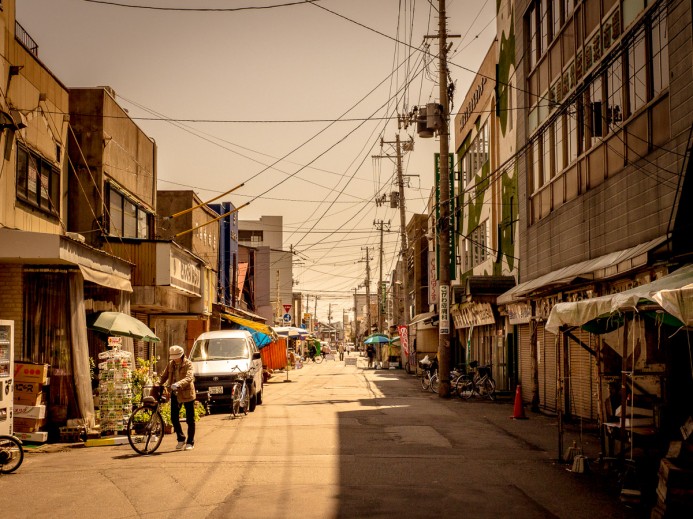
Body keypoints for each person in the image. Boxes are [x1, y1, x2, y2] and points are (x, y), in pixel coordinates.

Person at [159, 345, 197, 451]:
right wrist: (158, 383)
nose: (175, 359)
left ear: (181, 355)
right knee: (173, 417)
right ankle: (181, 438)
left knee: (190, 419)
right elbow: (164, 376)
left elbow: (189, 377)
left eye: (177, 357)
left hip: (187, 393)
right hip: (175, 393)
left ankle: (190, 442)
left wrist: (178, 384)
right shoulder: (171, 364)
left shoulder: (188, 364)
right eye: (173, 357)